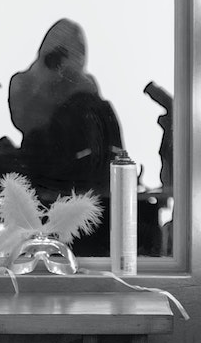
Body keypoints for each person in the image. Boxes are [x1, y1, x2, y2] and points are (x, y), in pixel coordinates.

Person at [8, 18, 124, 254]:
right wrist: (48, 82)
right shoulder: (25, 83)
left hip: (89, 192)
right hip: (44, 189)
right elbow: (26, 124)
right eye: (58, 53)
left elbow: (103, 144)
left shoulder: (87, 96)